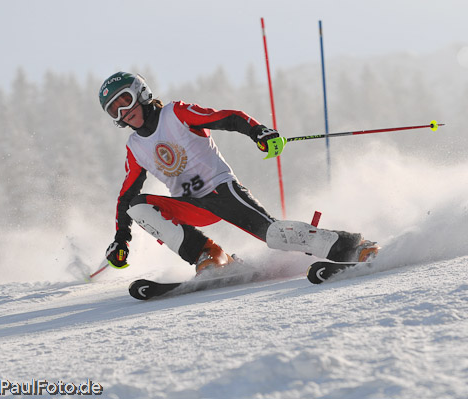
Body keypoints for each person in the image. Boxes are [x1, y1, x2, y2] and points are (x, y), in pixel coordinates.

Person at [99, 71, 378, 274]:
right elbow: (125, 197)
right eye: (113, 110)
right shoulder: (135, 147)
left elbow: (226, 117)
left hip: (221, 190)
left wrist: (258, 131)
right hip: (190, 204)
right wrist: (121, 240)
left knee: (274, 235)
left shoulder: (176, 113)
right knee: (136, 206)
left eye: (124, 100)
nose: (122, 112)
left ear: (142, 92)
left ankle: (354, 246)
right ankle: (207, 254)